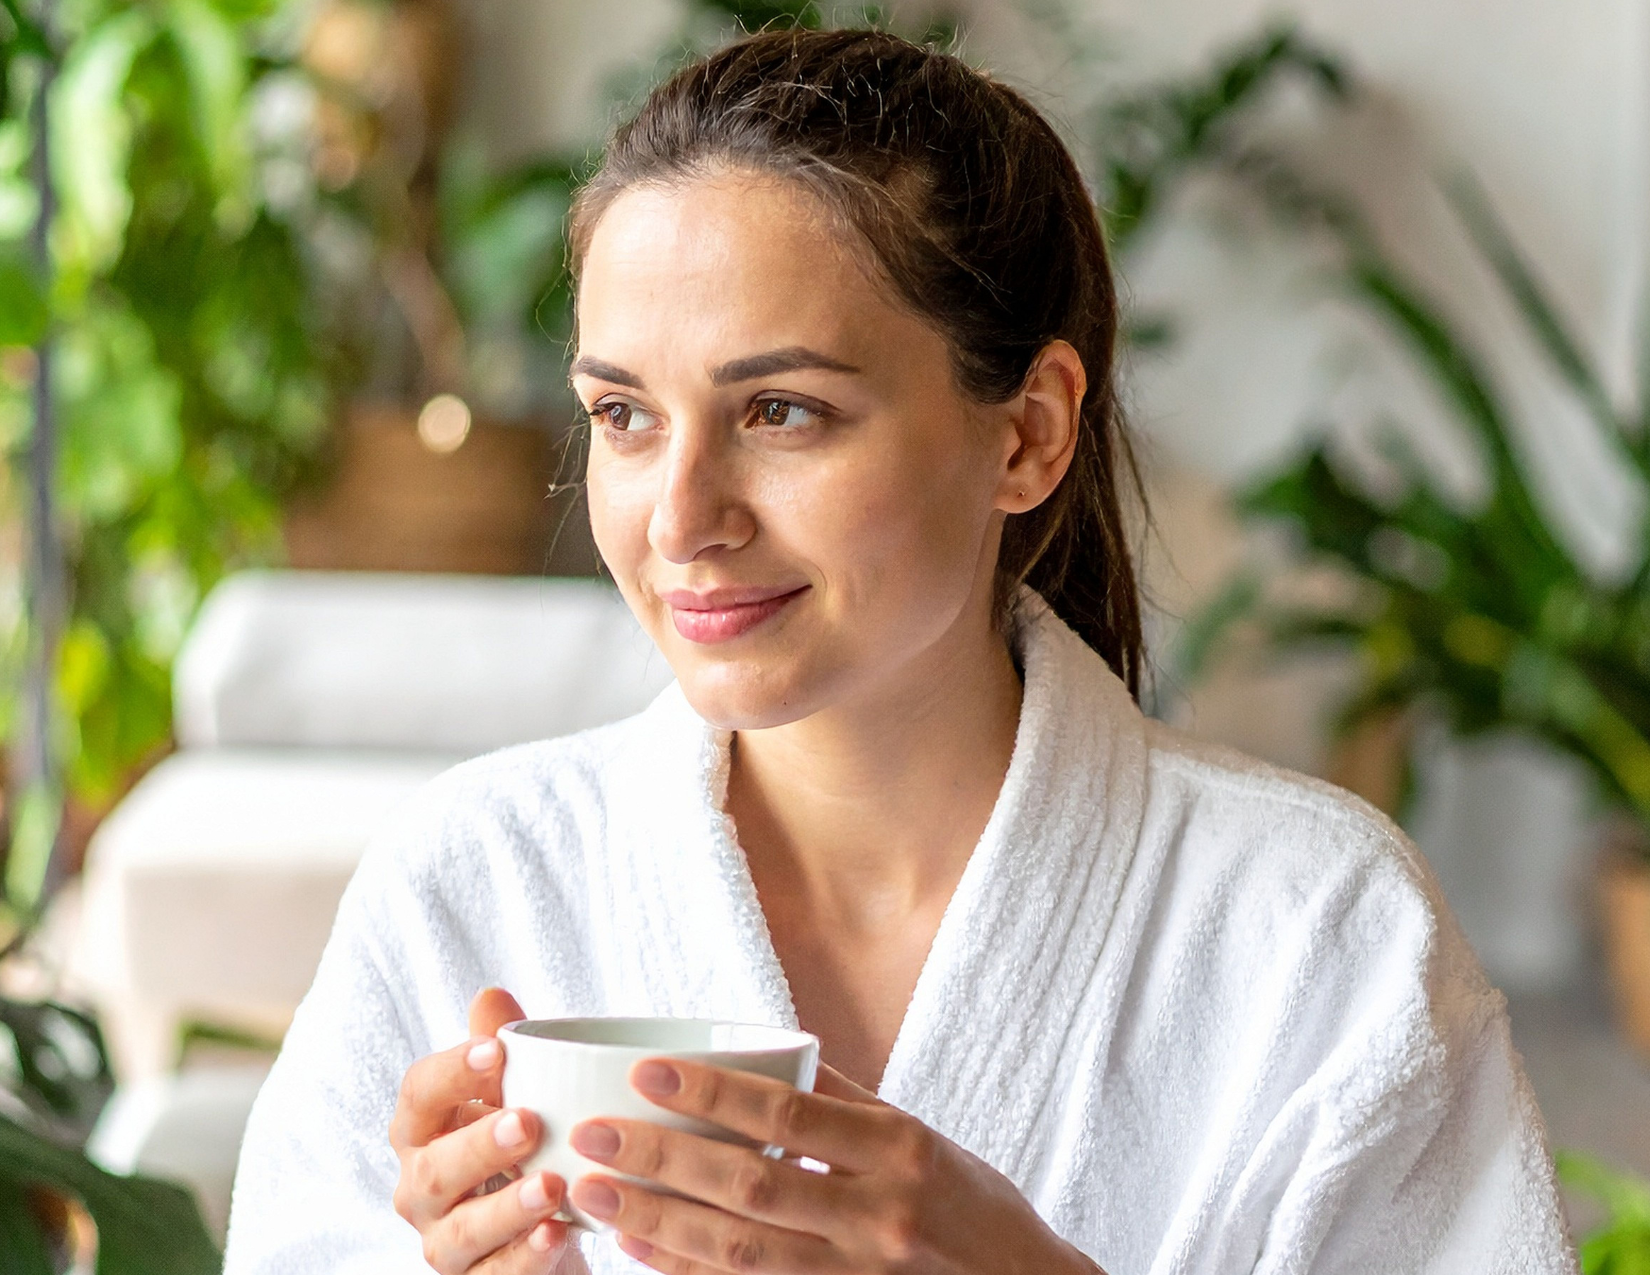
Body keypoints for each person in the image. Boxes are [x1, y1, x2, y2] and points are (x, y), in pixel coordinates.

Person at [222, 26, 1577, 1275]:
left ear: (1028, 433)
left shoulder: (1318, 934)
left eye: (782, 410)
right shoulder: (475, 885)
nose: (681, 517)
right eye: (625, 416)